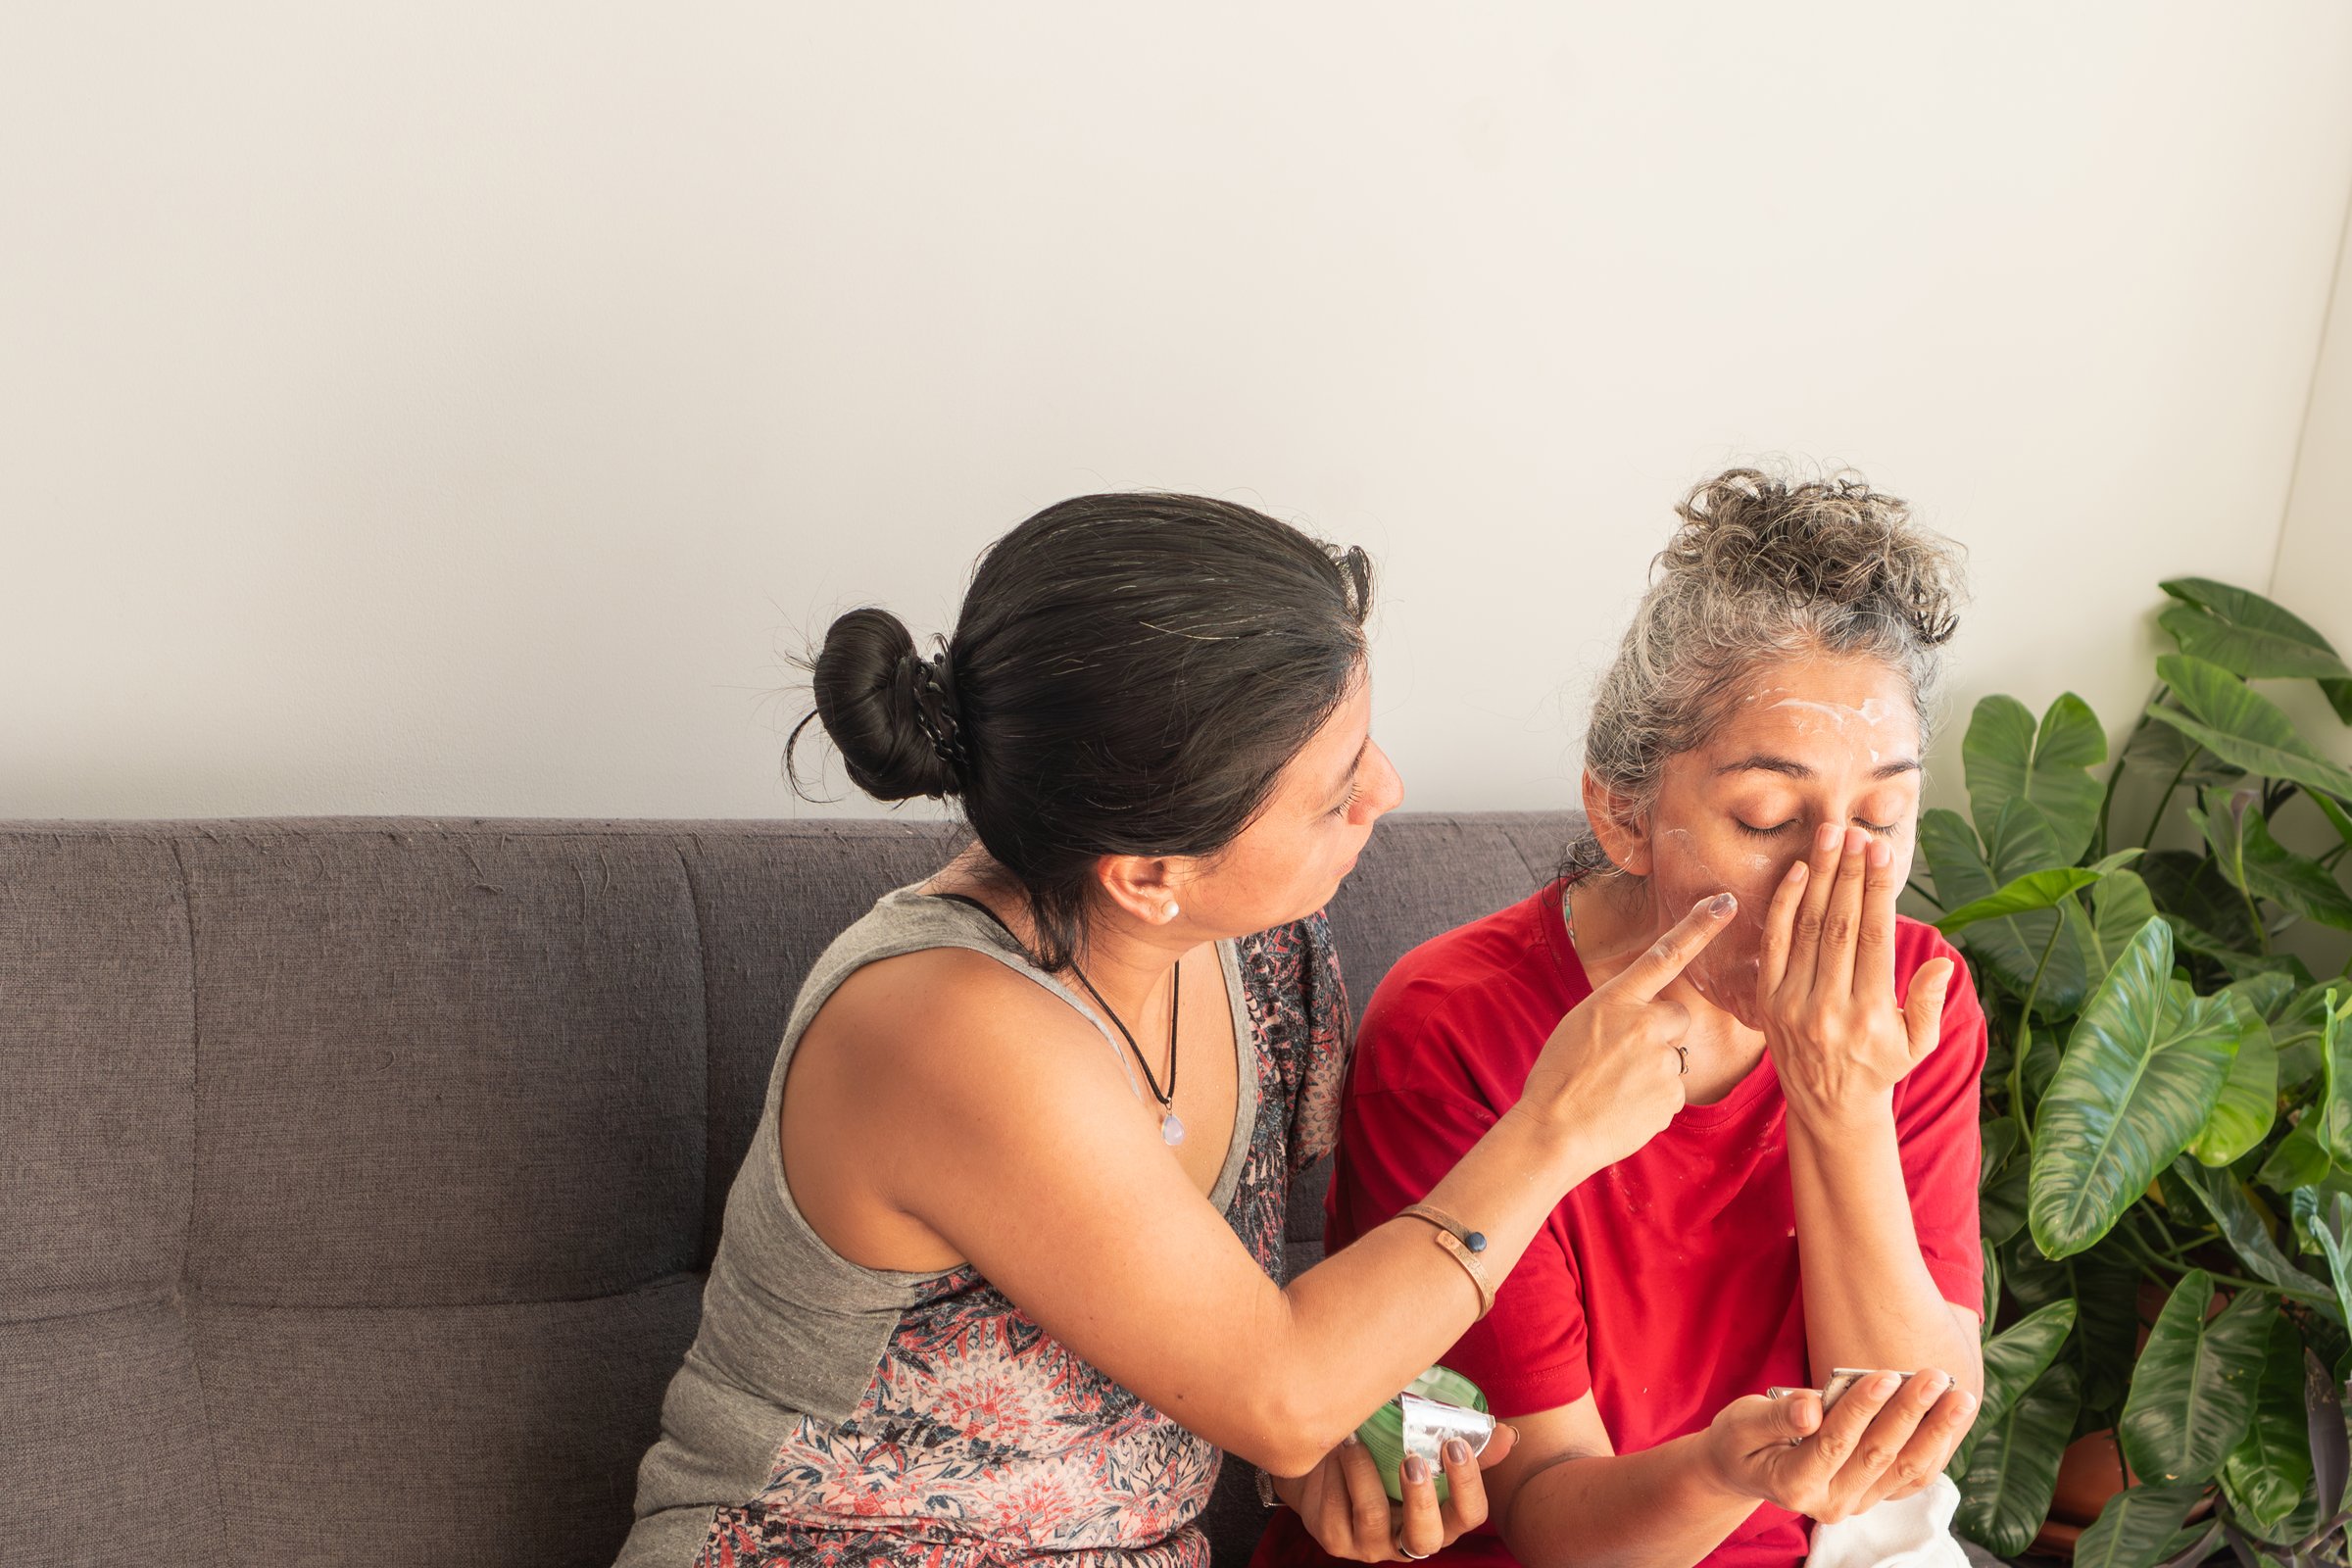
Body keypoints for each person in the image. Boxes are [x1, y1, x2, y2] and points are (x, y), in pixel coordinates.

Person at [615, 493, 1738, 1568]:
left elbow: (1239, 1349)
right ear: (1149, 873)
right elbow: (1282, 1386)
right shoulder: (948, 1029)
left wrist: (1326, 1444)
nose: (1386, 791)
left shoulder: (1264, 950)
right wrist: (1551, 1131)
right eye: (1335, 788)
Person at [1253, 469, 1988, 1568]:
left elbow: (1905, 1442)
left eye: (1883, 812)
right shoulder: (1462, 1026)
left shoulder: (1916, 997)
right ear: (1622, 811)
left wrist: (1843, 1104)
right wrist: (1726, 1470)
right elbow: (1552, 1520)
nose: (1835, 873)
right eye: (1769, 815)